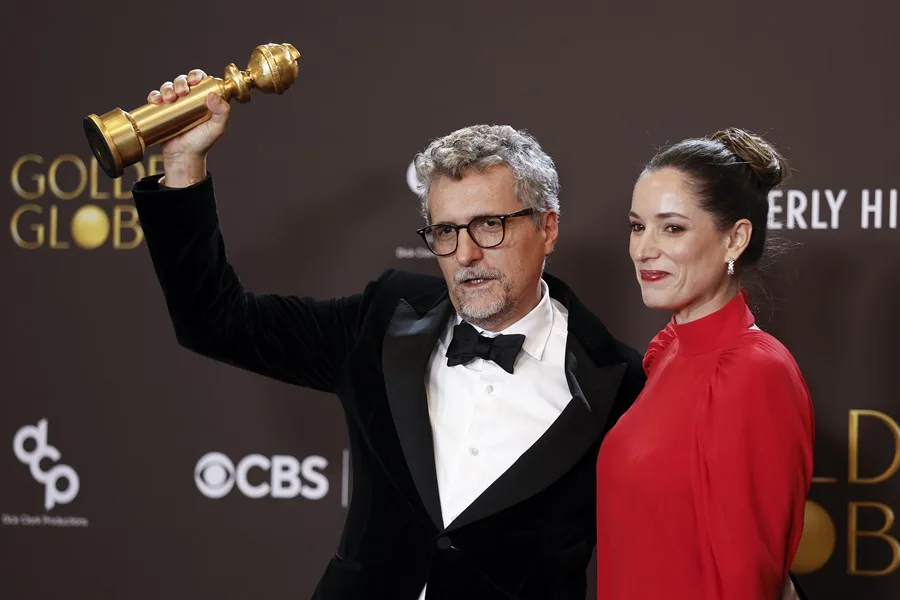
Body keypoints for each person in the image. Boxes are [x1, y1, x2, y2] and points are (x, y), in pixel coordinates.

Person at [131, 70, 645, 599]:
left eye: (490, 225)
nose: (466, 255)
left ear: (548, 228)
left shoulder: (619, 384)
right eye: (446, 231)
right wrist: (182, 163)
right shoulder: (382, 323)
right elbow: (215, 320)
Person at [594, 128, 815, 599]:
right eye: (637, 226)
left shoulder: (755, 373)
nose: (642, 249)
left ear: (735, 238)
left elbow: (745, 580)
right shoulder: (670, 349)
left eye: (672, 227)